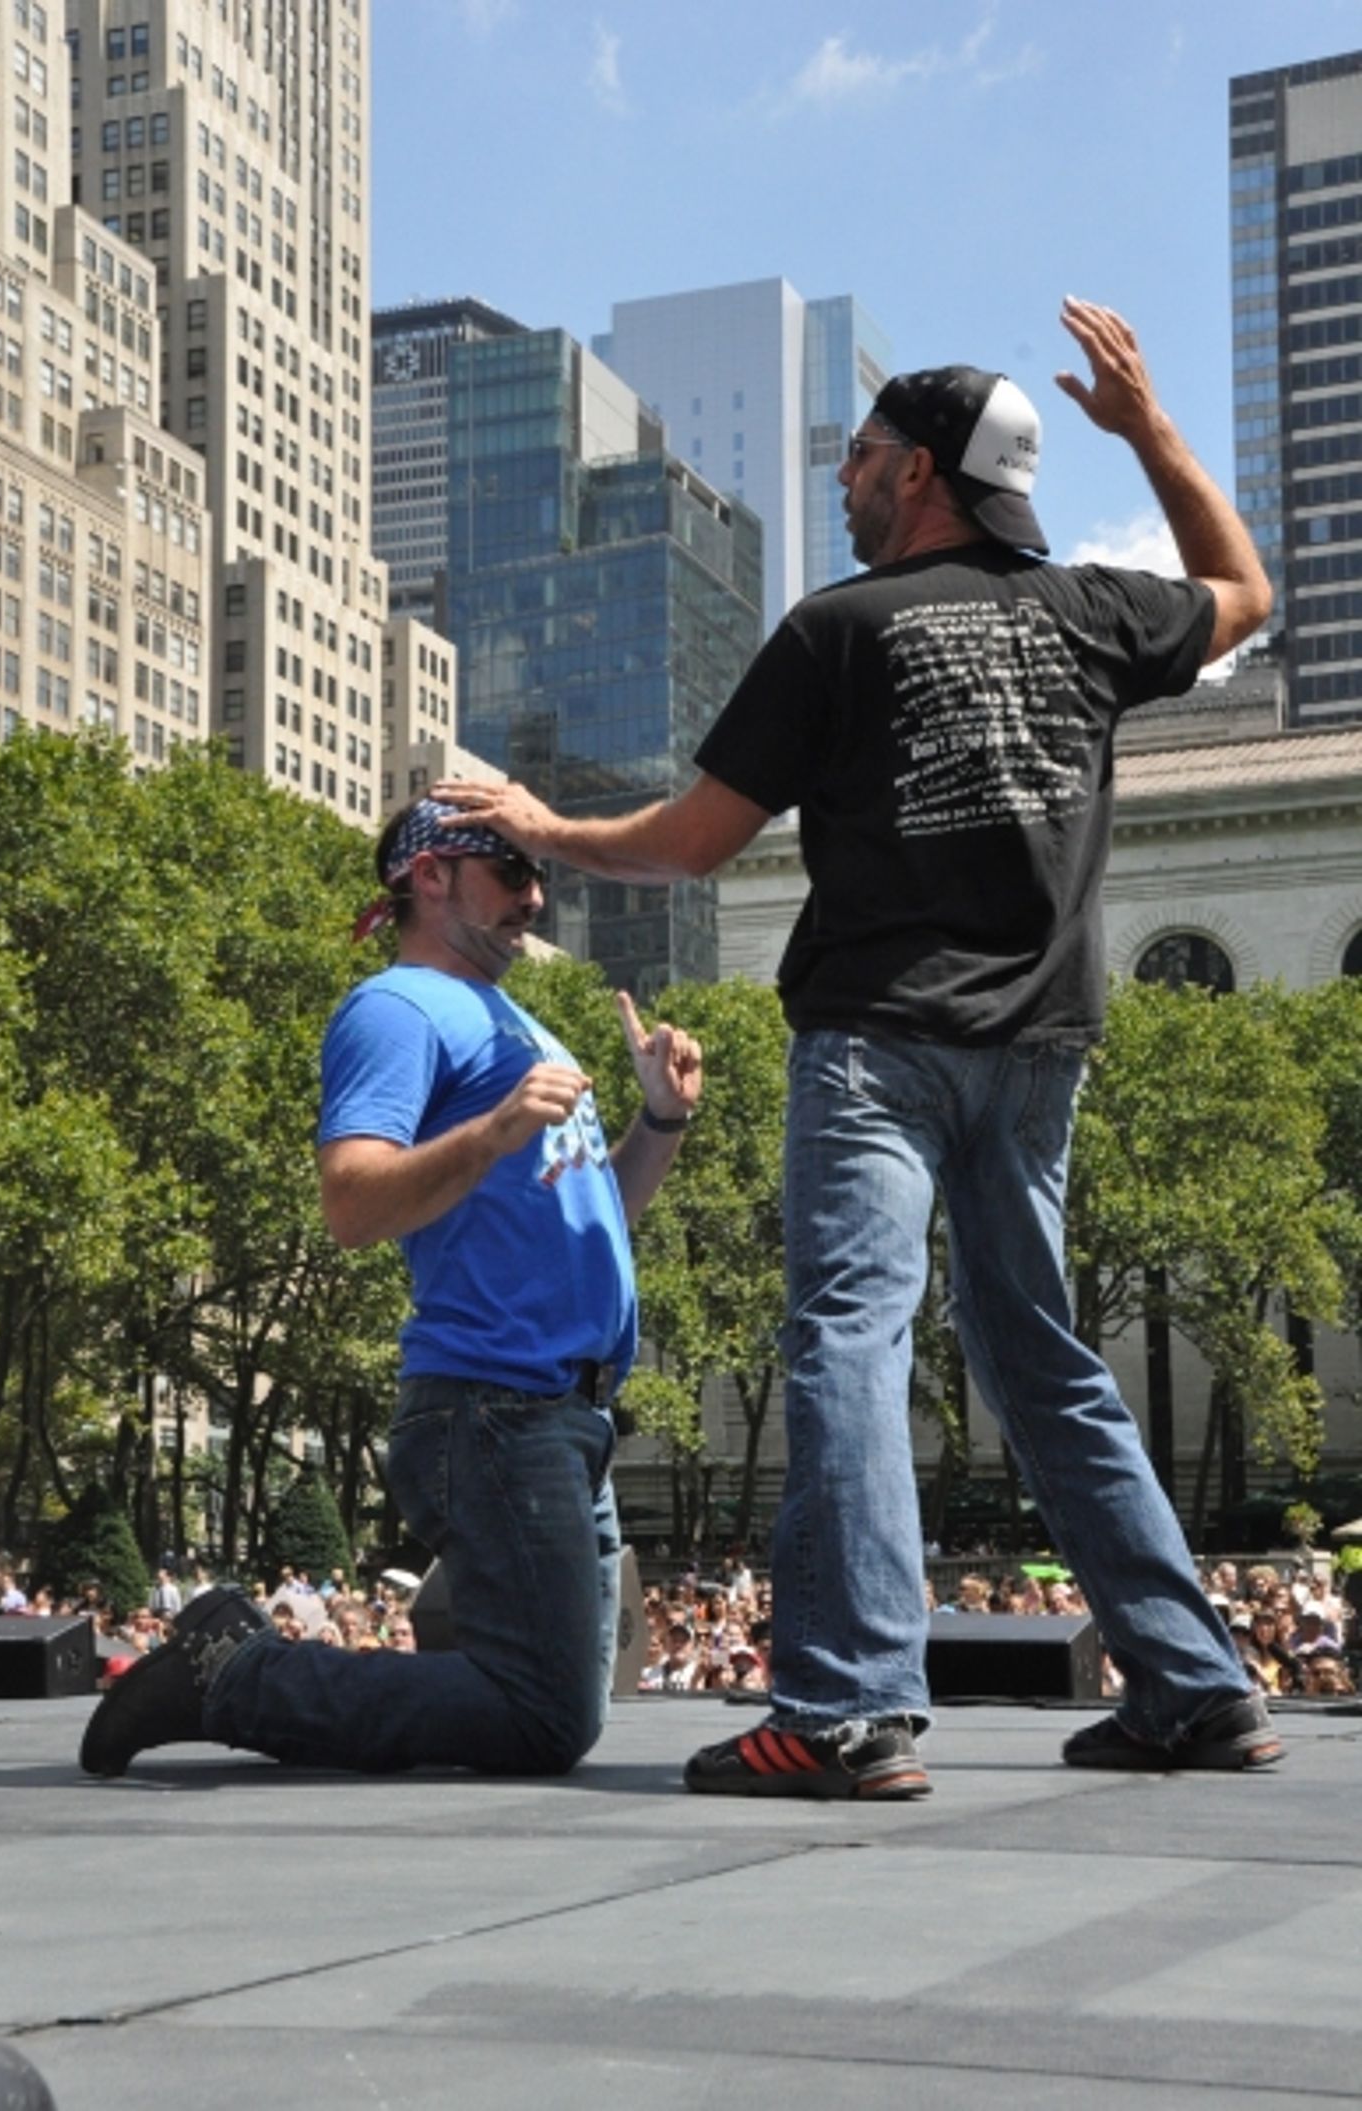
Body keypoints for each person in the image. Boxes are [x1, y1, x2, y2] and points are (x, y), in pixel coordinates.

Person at [434, 298, 1281, 1798]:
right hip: (1038, 1050)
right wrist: (1144, 424)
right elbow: (1241, 588)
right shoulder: (1092, 612)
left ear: (928, 474)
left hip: (881, 1047)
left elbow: (692, 844)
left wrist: (541, 824)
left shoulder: (840, 627)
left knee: (845, 1337)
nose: (845, 474)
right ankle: (1197, 1684)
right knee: (1043, 1357)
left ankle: (842, 1704)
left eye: (866, 452)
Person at [79, 796, 700, 1780]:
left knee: (557, 1714)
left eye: (539, 871)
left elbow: (593, 1222)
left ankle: (234, 1667)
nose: (533, 896)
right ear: (429, 874)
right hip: (494, 1408)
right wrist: (495, 1129)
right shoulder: (396, 1008)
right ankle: (232, 1672)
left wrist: (658, 1121)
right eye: (509, 868)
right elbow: (353, 1202)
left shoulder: (522, 1024)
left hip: (563, 1413)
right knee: (539, 1716)